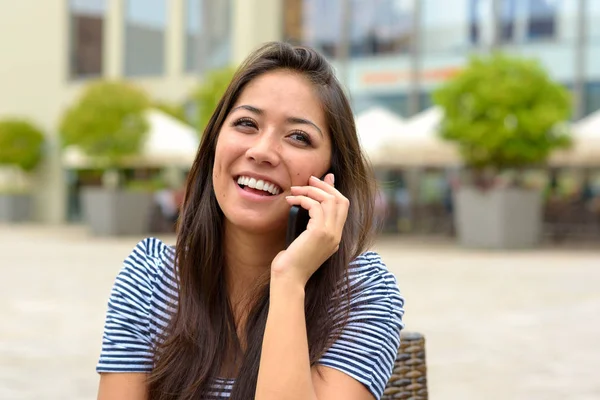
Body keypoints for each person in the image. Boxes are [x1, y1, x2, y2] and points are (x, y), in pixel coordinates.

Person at [96, 42, 405, 400]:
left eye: (298, 137)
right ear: (214, 142)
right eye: (246, 123)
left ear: (330, 174)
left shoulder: (362, 293)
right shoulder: (152, 279)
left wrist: (289, 281)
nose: (260, 151)